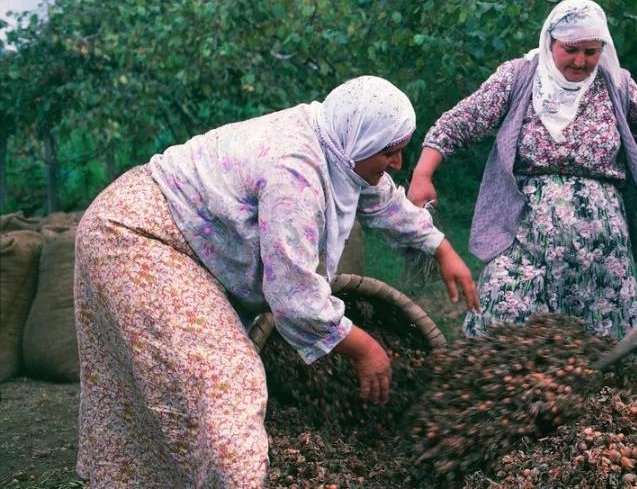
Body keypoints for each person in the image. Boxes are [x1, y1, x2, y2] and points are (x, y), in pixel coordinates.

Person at [73, 76, 478, 486]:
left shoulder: (336, 144)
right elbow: (293, 296)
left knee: (179, 382)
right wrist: (365, 349)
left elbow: (382, 196)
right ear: (357, 142)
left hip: (182, 238)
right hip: (137, 236)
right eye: (390, 152)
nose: (399, 163)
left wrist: (440, 248)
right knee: (225, 381)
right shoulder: (295, 172)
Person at [407, 0, 637, 350]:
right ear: (550, 41)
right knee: (503, 323)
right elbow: (462, 121)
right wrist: (422, 173)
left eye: (591, 52)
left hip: (600, 248)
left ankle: (600, 405)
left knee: (601, 344)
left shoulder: (617, 84)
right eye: (570, 49)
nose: (580, 61)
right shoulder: (519, 76)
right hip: (525, 231)